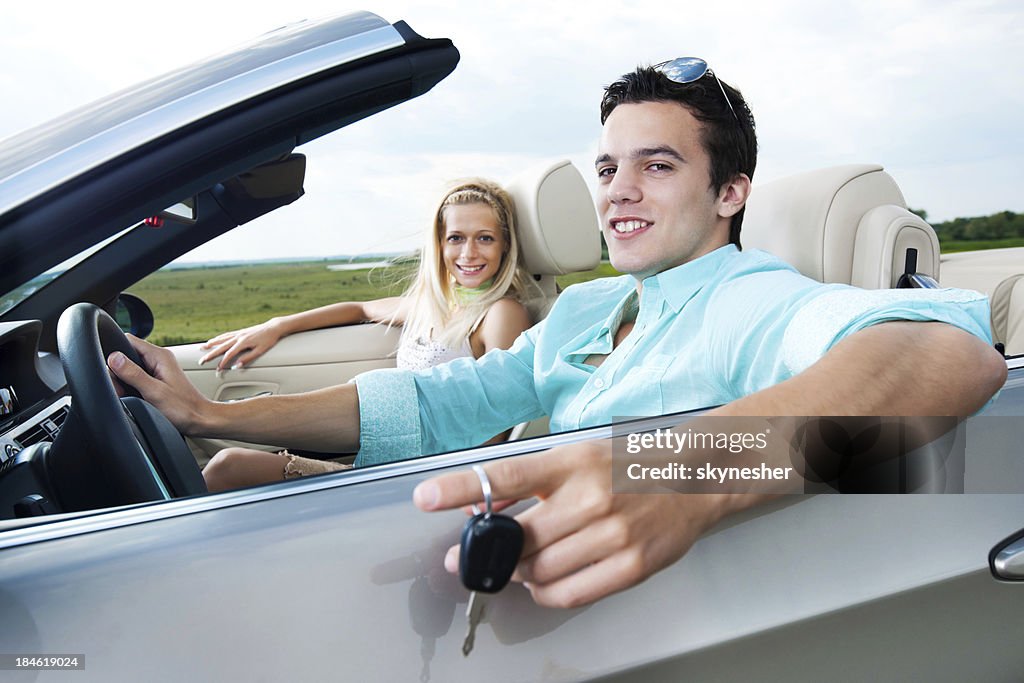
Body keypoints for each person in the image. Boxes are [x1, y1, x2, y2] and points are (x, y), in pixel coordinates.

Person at [108, 59, 1006, 608]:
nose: (617, 189)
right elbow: (438, 402)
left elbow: (941, 351)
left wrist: (679, 473)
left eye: (658, 166)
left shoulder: (755, 300)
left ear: (730, 193)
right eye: (609, 166)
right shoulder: (585, 310)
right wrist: (205, 414)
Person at [198, 178, 536, 491]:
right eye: (456, 238)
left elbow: (500, 423)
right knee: (229, 465)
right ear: (440, 245)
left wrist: (433, 480)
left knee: (231, 467)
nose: (469, 253)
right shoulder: (430, 306)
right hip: (388, 455)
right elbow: (359, 309)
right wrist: (276, 326)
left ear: (505, 245)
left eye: (485, 238)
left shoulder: (501, 313)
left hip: (425, 475)